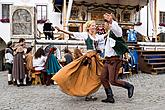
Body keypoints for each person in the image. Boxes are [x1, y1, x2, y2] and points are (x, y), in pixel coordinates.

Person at [52, 20, 105, 101]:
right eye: (92, 25)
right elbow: (72, 33)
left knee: (97, 75)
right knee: (88, 76)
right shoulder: (85, 35)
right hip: (89, 57)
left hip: (96, 57)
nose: (94, 27)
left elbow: (104, 36)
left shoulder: (97, 36)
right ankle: (86, 93)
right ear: (88, 27)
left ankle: (89, 93)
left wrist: (111, 29)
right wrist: (61, 30)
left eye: (95, 25)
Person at [100, 13, 134, 103]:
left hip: (114, 60)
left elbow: (118, 30)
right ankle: (110, 97)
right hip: (107, 60)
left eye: (106, 23)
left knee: (113, 81)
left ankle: (129, 86)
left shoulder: (116, 32)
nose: (104, 25)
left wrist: (111, 21)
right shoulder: (108, 34)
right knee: (103, 78)